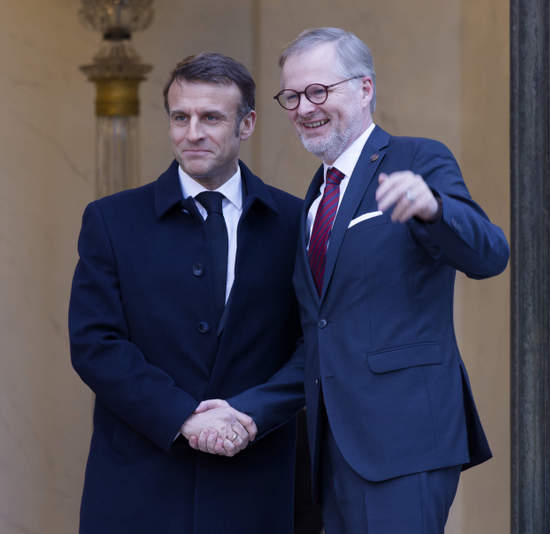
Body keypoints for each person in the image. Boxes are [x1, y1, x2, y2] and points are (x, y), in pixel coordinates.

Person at [244, 27, 509, 533]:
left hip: (404, 442)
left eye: (318, 91)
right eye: (292, 96)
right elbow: (320, 335)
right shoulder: (315, 198)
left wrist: (434, 209)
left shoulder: (417, 159)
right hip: (331, 448)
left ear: (364, 88)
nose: (304, 107)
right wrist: (250, 409)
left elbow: (490, 254)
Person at [68, 53, 305, 533]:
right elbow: (95, 344)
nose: (191, 133)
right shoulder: (112, 221)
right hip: (139, 486)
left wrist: (251, 415)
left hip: (258, 487)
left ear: (248, 123)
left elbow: (316, 345)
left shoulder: (296, 222)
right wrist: (183, 417)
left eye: (211, 117)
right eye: (181, 117)